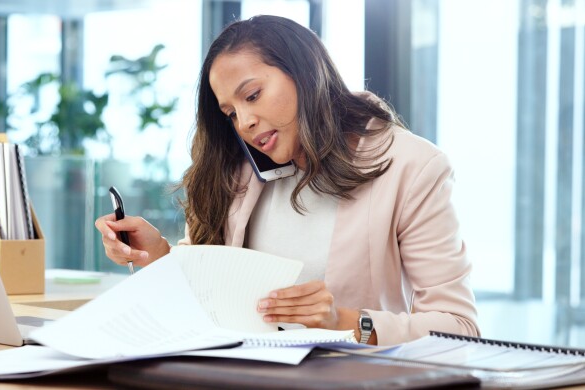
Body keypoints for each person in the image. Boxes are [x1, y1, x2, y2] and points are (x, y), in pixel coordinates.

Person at [95, 15, 479, 346]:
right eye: (230, 112)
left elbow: (460, 328)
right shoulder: (236, 168)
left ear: (304, 73)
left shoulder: (412, 166)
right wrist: (158, 256)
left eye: (254, 95)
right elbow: (214, 293)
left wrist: (345, 323)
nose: (244, 122)